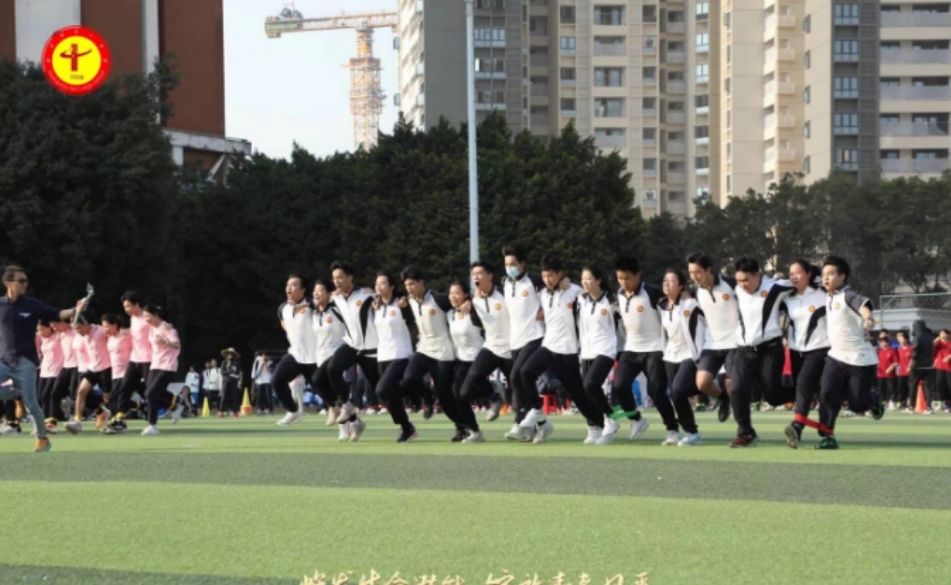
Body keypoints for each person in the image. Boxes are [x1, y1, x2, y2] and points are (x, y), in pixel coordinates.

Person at [0, 265, 86, 451]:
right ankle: (16, 394)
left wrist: (75, 309)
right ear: (8, 283)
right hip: (4, 361)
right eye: (21, 281)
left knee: (32, 405)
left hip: (26, 362)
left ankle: (42, 439)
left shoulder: (31, 304)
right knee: (20, 396)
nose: (25, 284)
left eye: (26, 281)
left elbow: (56, 314)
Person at [519, 254, 603, 444]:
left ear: (560, 274)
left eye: (551, 275)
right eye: (544, 276)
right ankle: (538, 411)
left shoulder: (574, 291)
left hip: (568, 351)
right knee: (525, 372)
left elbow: (594, 296)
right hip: (548, 346)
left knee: (577, 394)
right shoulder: (542, 293)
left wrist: (569, 282)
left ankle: (596, 425)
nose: (547, 279)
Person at [813, 256, 885, 449]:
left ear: (842, 276)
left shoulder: (848, 295)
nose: (825, 278)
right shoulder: (828, 295)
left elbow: (863, 306)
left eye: (830, 274)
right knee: (826, 394)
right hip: (835, 356)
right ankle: (827, 436)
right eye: (823, 274)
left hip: (859, 359)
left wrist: (869, 319)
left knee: (857, 405)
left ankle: (873, 399)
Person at [726, 257, 794, 447]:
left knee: (773, 397)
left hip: (770, 349)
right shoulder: (736, 289)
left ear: (757, 276)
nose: (742, 285)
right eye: (739, 280)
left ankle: (805, 393)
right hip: (743, 350)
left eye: (746, 280)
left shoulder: (775, 287)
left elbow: (802, 281)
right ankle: (746, 432)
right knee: (737, 389)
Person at [399, 266, 470, 442]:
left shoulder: (438, 299)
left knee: (445, 397)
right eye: (406, 285)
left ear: (421, 282)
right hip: (424, 349)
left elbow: (457, 301)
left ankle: (462, 427)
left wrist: (470, 302)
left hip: (443, 353)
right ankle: (427, 396)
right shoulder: (409, 300)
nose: (409, 288)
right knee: (409, 378)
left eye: (412, 284)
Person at [780, 260, 831, 449]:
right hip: (796, 351)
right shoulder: (787, 298)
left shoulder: (822, 295)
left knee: (804, 383)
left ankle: (798, 426)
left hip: (820, 348)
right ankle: (826, 430)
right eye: (790, 273)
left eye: (797, 272)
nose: (793, 276)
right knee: (813, 390)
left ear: (808, 274)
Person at [612, 256, 662, 441]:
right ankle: (636, 419)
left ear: (637, 275)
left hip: (655, 348)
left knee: (656, 392)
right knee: (619, 385)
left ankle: (673, 428)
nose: (624, 282)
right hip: (631, 348)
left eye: (627, 278)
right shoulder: (618, 294)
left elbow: (673, 303)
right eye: (620, 278)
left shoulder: (652, 292)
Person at [326, 261, 377, 441]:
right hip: (351, 345)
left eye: (340, 277)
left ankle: (406, 424)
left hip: (371, 348)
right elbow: (318, 301)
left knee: (381, 390)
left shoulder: (365, 294)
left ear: (350, 277)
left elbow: (385, 298)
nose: (336, 281)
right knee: (332, 368)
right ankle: (347, 406)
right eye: (334, 278)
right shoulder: (336, 298)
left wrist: (379, 297)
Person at [500, 243, 547, 441]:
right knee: (521, 380)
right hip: (515, 341)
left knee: (516, 375)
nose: (509, 268)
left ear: (522, 264)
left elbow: (554, 293)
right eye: (506, 264)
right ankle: (540, 425)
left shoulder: (535, 281)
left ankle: (520, 420)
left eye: (513, 264)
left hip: (534, 336)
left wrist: (544, 311)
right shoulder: (505, 282)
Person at [657, 268, 707, 446]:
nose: (667, 284)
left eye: (672, 281)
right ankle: (692, 433)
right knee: (676, 395)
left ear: (681, 286)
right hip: (670, 356)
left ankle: (693, 431)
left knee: (678, 390)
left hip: (689, 354)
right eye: (665, 280)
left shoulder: (690, 303)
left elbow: (708, 316)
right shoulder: (661, 306)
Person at [368, 272, 418, 442]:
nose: (378, 286)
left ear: (392, 287)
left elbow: (413, 320)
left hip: (400, 353)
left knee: (382, 390)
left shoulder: (401, 303)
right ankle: (407, 427)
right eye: (377, 283)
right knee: (387, 396)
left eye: (383, 283)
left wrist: (406, 307)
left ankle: (417, 391)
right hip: (382, 355)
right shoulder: (376, 306)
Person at [575, 266, 622, 445]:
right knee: (585, 391)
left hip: (606, 349)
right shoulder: (581, 299)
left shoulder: (612, 300)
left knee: (591, 384)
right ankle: (595, 427)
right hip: (586, 351)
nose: (585, 282)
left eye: (588, 278)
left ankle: (611, 418)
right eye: (583, 279)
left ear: (598, 280)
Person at [685, 253, 733, 422]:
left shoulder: (730, 284)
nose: (694, 276)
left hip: (734, 343)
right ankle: (723, 399)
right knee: (702, 383)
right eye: (691, 272)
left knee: (732, 385)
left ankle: (743, 426)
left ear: (708, 270)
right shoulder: (696, 292)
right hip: (712, 344)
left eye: (697, 272)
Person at [459, 260, 508, 421]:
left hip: (511, 348)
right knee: (466, 391)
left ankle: (533, 426)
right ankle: (494, 397)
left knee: (520, 393)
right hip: (491, 347)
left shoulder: (504, 293)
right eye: (473, 274)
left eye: (479, 273)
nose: (476, 277)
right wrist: (471, 306)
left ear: (490, 276)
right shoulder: (475, 300)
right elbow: (479, 323)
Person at [272, 275, 318, 427]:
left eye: (294, 285)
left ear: (303, 289)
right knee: (277, 380)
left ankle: (350, 421)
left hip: (314, 357)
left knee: (326, 392)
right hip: (295, 355)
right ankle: (293, 410)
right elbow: (286, 326)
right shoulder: (283, 308)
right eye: (288, 285)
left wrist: (306, 306)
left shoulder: (312, 304)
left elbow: (326, 302)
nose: (289, 288)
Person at [309, 279, 351, 440]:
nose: (316, 293)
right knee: (332, 392)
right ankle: (352, 423)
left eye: (320, 290)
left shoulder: (336, 309)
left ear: (328, 293)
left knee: (317, 379)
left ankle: (333, 408)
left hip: (337, 355)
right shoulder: (314, 314)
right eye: (315, 291)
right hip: (321, 356)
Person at [447, 280, 488, 443]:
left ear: (465, 295)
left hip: (478, 358)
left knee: (466, 393)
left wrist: (473, 304)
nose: (453, 296)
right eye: (451, 293)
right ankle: (475, 431)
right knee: (458, 396)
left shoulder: (474, 310)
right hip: (461, 360)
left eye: (457, 293)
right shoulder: (450, 314)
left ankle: (493, 394)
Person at [65, 313, 113, 434]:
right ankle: (77, 422)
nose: (77, 331)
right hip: (92, 368)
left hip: (106, 368)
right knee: (81, 391)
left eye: (79, 328)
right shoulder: (83, 335)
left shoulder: (100, 331)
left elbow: (116, 333)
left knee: (107, 398)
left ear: (86, 324)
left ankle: (115, 421)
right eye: (75, 329)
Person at [141, 304, 183, 435]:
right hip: (155, 365)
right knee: (150, 394)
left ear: (156, 314)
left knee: (151, 394)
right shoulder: (151, 328)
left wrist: (165, 342)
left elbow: (177, 345)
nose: (146, 319)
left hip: (167, 366)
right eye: (144, 317)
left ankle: (152, 425)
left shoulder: (167, 328)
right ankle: (176, 405)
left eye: (148, 316)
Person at [114, 292, 152, 430]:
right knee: (124, 388)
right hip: (134, 359)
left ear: (137, 304)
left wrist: (167, 328)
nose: (127, 309)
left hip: (148, 359)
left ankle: (174, 405)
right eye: (125, 307)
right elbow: (138, 333)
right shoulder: (132, 318)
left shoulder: (147, 317)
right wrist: (128, 332)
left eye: (129, 306)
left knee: (150, 391)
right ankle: (120, 419)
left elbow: (159, 328)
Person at [100, 314, 132, 433]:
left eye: (107, 326)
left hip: (126, 371)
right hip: (115, 372)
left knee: (116, 396)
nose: (105, 329)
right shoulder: (109, 338)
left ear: (115, 325)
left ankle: (119, 422)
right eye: (103, 327)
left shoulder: (126, 336)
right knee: (113, 398)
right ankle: (116, 421)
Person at [36, 320, 64, 435]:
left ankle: (51, 423)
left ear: (50, 328)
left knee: (47, 395)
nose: (41, 332)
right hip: (44, 370)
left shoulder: (58, 336)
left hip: (56, 370)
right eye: (39, 330)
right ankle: (45, 421)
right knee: (40, 397)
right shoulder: (41, 338)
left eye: (43, 329)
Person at [909, 320, 934, 415]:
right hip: (929, 365)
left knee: (913, 386)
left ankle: (911, 407)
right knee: (928, 387)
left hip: (918, 366)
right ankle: (929, 407)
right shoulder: (929, 337)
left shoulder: (917, 337)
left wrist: (911, 364)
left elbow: (915, 352)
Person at [877, 333, 900, 412]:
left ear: (888, 342)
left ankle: (892, 403)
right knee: (881, 390)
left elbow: (896, 362)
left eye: (885, 342)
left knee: (891, 389)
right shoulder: (879, 351)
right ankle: (883, 403)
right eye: (881, 342)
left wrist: (890, 368)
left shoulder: (892, 351)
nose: (883, 343)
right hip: (880, 374)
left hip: (890, 375)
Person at [932, 329, 951, 412]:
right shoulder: (939, 344)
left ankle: (948, 404)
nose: (943, 335)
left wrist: (949, 357)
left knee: (949, 386)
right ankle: (940, 403)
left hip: (949, 368)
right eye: (941, 334)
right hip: (940, 367)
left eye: (944, 334)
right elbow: (933, 344)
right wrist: (938, 338)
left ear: (948, 335)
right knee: (939, 385)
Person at [219, 348, 242, 418]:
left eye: (231, 354)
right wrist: (229, 371)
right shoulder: (224, 362)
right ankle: (222, 412)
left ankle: (235, 412)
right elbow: (222, 372)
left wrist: (239, 381)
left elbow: (238, 372)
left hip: (234, 381)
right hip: (225, 381)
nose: (230, 355)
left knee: (234, 397)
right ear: (226, 355)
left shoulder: (237, 363)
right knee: (224, 397)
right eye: (228, 354)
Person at [895, 331, 913, 411]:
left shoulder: (911, 348)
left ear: (906, 339)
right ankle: (901, 403)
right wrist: (897, 369)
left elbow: (913, 359)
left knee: (909, 388)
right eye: (899, 337)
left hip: (910, 372)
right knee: (900, 388)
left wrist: (910, 366)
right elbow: (897, 361)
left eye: (901, 337)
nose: (900, 339)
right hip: (901, 372)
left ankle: (910, 403)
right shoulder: (899, 349)